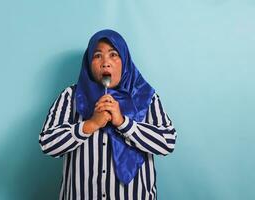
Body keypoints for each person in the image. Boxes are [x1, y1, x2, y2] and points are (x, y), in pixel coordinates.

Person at [39, 29, 177, 200]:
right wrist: (90, 125)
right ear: (89, 63)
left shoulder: (145, 96)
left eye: (113, 55)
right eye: (97, 56)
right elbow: (47, 143)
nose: (105, 63)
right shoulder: (71, 96)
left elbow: (167, 142)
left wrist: (123, 123)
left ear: (124, 61)